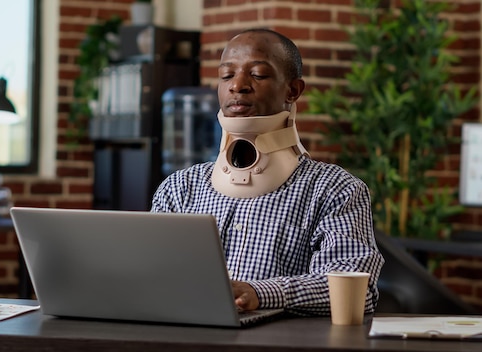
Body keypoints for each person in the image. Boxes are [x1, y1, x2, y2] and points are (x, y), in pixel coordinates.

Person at [151, 28, 384, 316]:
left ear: (293, 90)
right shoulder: (179, 188)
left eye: (258, 74)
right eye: (226, 76)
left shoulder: (335, 190)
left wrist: (261, 293)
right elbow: (152, 278)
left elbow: (356, 292)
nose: (238, 85)